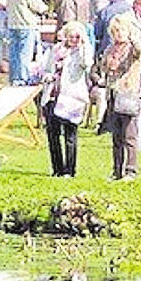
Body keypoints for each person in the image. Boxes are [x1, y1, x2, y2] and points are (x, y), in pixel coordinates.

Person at [91, 11, 141, 181]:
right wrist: (104, 73)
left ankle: (131, 170)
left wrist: (135, 33)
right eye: (115, 32)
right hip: (112, 94)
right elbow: (101, 67)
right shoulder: (110, 48)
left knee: (130, 135)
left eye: (121, 31)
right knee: (116, 136)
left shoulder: (133, 48)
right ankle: (117, 170)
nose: (118, 35)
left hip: (128, 93)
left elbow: (140, 51)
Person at [40, 21, 91, 177]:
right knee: (53, 134)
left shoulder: (83, 51)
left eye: (77, 36)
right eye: (71, 36)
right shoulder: (56, 50)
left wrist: (82, 45)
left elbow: (87, 64)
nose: (74, 39)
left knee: (70, 135)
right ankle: (57, 169)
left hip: (72, 97)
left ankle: (70, 169)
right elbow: (46, 68)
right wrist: (48, 76)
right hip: (53, 94)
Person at [6, 0, 47, 82]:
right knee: (25, 53)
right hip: (26, 22)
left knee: (14, 53)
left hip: (13, 22)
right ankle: (23, 78)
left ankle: (14, 77)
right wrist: (45, 9)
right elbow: (35, 4)